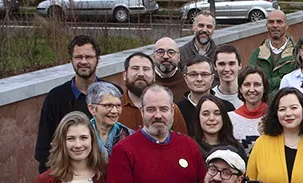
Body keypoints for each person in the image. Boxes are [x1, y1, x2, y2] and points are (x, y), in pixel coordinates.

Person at [36, 35, 102, 173]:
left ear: (98, 60)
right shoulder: (55, 98)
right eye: (78, 57)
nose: (83, 61)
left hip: (103, 175)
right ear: (70, 60)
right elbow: (44, 149)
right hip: (66, 175)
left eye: (89, 57)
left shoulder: (111, 95)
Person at [118, 52, 190, 134]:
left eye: (146, 69)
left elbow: (181, 141)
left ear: (154, 76)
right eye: (135, 68)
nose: (141, 74)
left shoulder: (170, 109)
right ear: (125, 75)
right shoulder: (114, 109)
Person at [176, 56, 235, 133]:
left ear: (212, 78)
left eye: (204, 74)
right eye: (193, 74)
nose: (199, 79)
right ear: (185, 78)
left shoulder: (227, 107)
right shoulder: (177, 110)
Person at [192, 94, 248, 161]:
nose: (212, 118)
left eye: (217, 113)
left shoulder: (237, 148)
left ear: (224, 117)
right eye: (205, 114)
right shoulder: (190, 147)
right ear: (198, 118)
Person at [249, 10, 295, 89]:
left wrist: (266, 83)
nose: (275, 25)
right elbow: (251, 81)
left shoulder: (296, 53)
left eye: (279, 22)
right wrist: (281, 80)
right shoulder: (257, 54)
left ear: (287, 26)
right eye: (271, 22)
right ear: (267, 26)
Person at [229, 66, 269, 153]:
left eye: (257, 84)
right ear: (240, 89)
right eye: (247, 85)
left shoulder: (274, 117)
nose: (251, 89)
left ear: (264, 88)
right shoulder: (229, 119)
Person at [87, 81, 131, 158]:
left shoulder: (129, 135)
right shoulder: (81, 134)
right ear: (92, 109)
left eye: (118, 106)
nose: (115, 111)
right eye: (108, 105)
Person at [212, 44, 243, 109]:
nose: (227, 69)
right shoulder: (210, 97)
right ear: (215, 66)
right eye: (221, 64)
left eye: (231, 64)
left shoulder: (249, 95)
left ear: (240, 65)